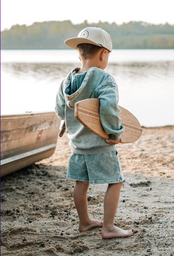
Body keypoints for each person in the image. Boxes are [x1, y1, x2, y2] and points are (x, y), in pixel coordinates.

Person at [55, 27, 133, 239]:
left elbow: (59, 109)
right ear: (103, 54)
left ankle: (84, 222)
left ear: (79, 54)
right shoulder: (104, 80)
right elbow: (109, 109)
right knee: (115, 181)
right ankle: (108, 228)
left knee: (81, 182)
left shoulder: (66, 82)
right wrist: (115, 133)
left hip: (77, 145)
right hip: (100, 145)